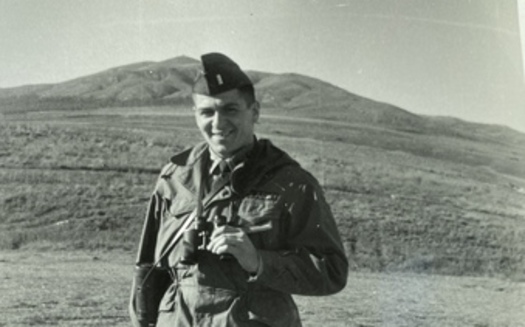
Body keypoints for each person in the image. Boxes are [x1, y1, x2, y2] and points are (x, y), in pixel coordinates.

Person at [129, 52, 348, 327]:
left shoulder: (291, 182)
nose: (218, 124)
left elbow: (332, 270)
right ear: (194, 114)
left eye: (230, 110)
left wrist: (258, 261)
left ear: (254, 111)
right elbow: (147, 266)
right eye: (207, 112)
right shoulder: (174, 176)